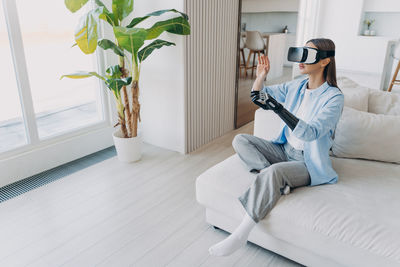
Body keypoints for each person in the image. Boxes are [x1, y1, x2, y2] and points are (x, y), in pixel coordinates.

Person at [208, 38, 344, 257]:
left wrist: (279, 109)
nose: (300, 59)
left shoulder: (334, 98)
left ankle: (241, 233)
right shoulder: (297, 85)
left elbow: (310, 133)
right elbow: (259, 97)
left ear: (324, 62)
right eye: (301, 52)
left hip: (307, 163)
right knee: (241, 140)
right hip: (284, 150)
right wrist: (261, 77)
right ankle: (272, 178)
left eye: (307, 54)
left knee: (275, 171)